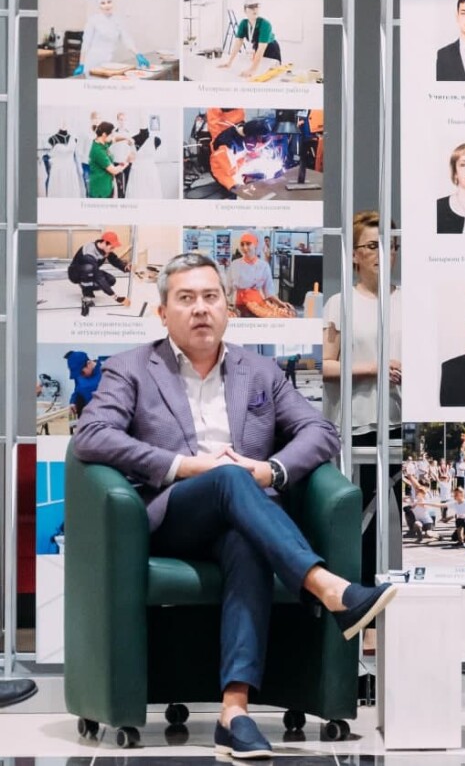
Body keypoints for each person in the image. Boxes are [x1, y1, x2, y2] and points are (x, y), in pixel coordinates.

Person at [72, 252, 397, 759]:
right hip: (173, 514)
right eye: (186, 298)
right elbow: (91, 435)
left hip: (247, 515)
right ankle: (328, 587)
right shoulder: (130, 368)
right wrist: (185, 466)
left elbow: (320, 432)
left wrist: (271, 470)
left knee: (246, 542)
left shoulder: (260, 371)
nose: (200, 308)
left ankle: (234, 712)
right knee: (225, 476)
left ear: (227, 307)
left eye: (210, 296)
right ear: (163, 313)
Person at [322, 211, 403, 586]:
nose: (383, 252)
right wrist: (372, 368)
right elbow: (324, 365)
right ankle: (362, 600)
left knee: (407, 517)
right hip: (359, 424)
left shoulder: (410, 301)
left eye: (390, 244)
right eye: (372, 245)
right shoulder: (340, 303)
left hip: (403, 422)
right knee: (365, 520)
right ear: (354, 254)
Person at [75, 0, 149, 77]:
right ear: (99, 6)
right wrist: (81, 64)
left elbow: (127, 39)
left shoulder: (118, 20)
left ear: (113, 3)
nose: (107, 5)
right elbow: (86, 44)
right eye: (103, 3)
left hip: (109, 61)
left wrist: (138, 54)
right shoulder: (93, 20)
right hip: (93, 61)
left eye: (109, 2)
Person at [226, 232, 293, 318]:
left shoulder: (263, 266)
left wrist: (280, 303)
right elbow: (227, 290)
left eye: (248, 244)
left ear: (255, 245)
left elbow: (269, 291)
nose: (245, 247)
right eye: (242, 244)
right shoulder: (235, 265)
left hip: (258, 306)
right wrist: (226, 306)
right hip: (239, 307)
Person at [67, 230, 131, 315]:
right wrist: (116, 298)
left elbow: (114, 260)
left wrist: (125, 268)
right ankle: (87, 296)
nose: (113, 249)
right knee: (89, 268)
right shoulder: (89, 254)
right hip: (75, 274)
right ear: (104, 243)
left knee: (111, 280)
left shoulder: (104, 249)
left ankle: (86, 285)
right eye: (112, 247)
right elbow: (98, 277)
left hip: (92, 271)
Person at [219, 0, 282, 77]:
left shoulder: (265, 24)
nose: (255, 9)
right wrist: (229, 62)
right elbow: (237, 44)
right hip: (257, 47)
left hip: (271, 49)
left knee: (271, 75)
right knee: (258, 73)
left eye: (256, 6)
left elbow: (261, 49)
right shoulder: (243, 24)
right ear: (245, 10)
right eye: (251, 7)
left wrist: (252, 69)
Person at [86, 121, 128, 199]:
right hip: (100, 191)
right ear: (104, 134)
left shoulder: (102, 142)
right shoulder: (98, 151)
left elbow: (115, 139)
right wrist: (127, 162)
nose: (112, 136)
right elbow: (114, 171)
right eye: (111, 134)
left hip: (107, 186)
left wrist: (126, 138)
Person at [64, 351, 105, 417]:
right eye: (78, 374)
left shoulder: (105, 373)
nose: (81, 376)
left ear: (88, 363)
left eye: (82, 373)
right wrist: (73, 402)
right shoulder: (79, 375)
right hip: (88, 414)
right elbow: (77, 390)